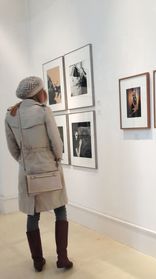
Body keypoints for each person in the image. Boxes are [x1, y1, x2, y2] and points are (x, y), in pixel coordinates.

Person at [4, 76, 73, 272]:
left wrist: (25, 162)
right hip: (49, 169)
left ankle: (38, 261)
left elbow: (12, 148)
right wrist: (56, 159)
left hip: (27, 173)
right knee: (60, 210)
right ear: (39, 93)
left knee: (33, 215)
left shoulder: (11, 114)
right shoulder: (44, 111)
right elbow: (56, 144)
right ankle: (62, 258)